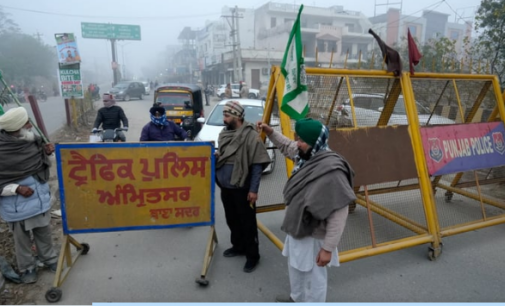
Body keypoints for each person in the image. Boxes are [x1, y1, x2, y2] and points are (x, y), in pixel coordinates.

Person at [257, 118, 356, 303]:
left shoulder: (332, 171)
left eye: (301, 140)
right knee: (295, 268)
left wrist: (328, 249)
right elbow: (287, 146)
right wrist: (270, 132)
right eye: (298, 138)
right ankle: (296, 298)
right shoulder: (308, 155)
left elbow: (339, 215)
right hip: (297, 227)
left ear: (315, 142)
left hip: (315, 235)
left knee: (314, 277)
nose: (297, 143)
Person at [0, 107, 59, 284]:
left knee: (44, 233)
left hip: (39, 199)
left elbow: (43, 163)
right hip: (17, 206)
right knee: (22, 240)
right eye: (26, 122)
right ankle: (27, 268)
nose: (30, 125)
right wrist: (16, 189)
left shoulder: (32, 140)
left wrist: (47, 152)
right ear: (16, 127)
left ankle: (50, 260)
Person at [215, 101, 271, 273]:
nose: (224, 118)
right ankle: (238, 246)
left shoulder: (250, 136)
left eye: (227, 115)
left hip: (243, 189)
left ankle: (252, 256)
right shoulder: (224, 133)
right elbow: (223, 156)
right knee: (232, 220)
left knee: (247, 223)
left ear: (237, 117)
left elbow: (256, 165)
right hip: (226, 187)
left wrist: (253, 190)